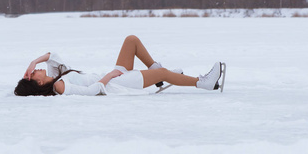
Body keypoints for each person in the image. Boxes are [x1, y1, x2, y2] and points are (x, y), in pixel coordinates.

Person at [14, 35, 222, 96]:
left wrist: (34, 61)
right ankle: (202, 83)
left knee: (131, 40)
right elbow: (92, 91)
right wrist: (110, 76)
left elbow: (53, 55)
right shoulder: (59, 87)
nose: (34, 70)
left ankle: (156, 74)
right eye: (33, 73)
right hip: (116, 84)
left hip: (113, 76)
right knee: (165, 73)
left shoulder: (55, 77)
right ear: (38, 82)